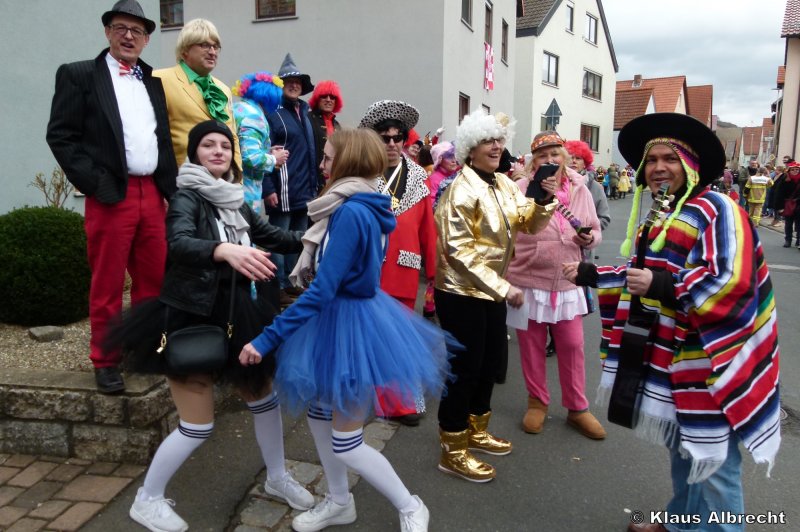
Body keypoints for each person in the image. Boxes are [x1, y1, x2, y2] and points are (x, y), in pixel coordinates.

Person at [563, 113, 781, 532]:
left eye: (670, 159)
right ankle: (682, 523)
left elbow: (731, 284)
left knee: (715, 462)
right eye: (652, 160)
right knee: (682, 447)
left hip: (713, 361)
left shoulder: (719, 209)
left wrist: (663, 285)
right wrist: (591, 274)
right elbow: (642, 275)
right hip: (674, 356)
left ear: (691, 165)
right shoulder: (663, 213)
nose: (659, 167)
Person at [240, 128, 449, 532]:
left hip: (348, 323)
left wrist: (267, 339)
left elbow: (323, 289)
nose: (321, 165)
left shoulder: (351, 210)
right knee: (320, 415)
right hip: (342, 320)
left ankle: (410, 505)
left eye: (327, 157)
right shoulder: (355, 203)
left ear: (347, 161)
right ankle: (339, 501)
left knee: (347, 442)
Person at [107, 120, 313, 532]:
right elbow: (179, 242)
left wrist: (317, 238)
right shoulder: (186, 196)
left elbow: (272, 235)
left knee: (264, 399)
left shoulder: (234, 199)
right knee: (197, 425)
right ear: (194, 153)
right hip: (194, 316)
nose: (218, 151)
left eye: (224, 145)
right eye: (208, 145)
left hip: (241, 315)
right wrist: (223, 250)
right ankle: (147, 500)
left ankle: (276, 477)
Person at [46, 0, 177, 394]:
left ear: (147, 39)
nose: (128, 36)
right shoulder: (79, 75)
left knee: (154, 280)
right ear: (107, 32)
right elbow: (61, 136)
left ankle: (146, 350)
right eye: (121, 28)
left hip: (152, 192)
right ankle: (105, 360)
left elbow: (162, 141)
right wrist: (94, 182)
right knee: (107, 282)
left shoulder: (152, 82)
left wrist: (171, 191)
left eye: (137, 31)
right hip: (110, 195)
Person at [434, 110, 556, 483]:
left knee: (489, 364)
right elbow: (458, 251)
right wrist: (504, 287)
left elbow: (528, 224)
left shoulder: (503, 183)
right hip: (460, 292)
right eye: (487, 140)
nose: (496, 146)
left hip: (491, 289)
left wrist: (541, 199)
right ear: (470, 148)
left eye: (499, 140)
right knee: (464, 369)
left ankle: (476, 429)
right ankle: (453, 447)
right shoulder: (459, 189)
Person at [506, 131, 605, 439]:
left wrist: (589, 238)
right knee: (531, 346)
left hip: (568, 279)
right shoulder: (521, 189)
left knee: (572, 345)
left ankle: (577, 407)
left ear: (564, 157)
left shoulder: (580, 188)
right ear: (534, 161)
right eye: (542, 156)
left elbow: (595, 228)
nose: (549, 160)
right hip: (528, 278)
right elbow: (510, 231)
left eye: (555, 155)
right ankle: (537, 402)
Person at [359, 100, 438, 426]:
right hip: (367, 270)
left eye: (397, 138)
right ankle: (371, 397)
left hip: (405, 268)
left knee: (399, 338)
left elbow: (427, 227)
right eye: (385, 137)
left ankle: (400, 403)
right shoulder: (361, 172)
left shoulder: (419, 177)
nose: (392, 144)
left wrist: (434, 272)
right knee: (368, 337)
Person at [265, 53, 318, 306]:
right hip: (282, 189)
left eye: (297, 81)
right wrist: (268, 188)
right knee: (278, 240)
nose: (294, 85)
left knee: (298, 240)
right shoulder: (272, 112)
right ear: (280, 85)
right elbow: (265, 152)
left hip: (304, 189)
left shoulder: (304, 112)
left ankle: (291, 282)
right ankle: (276, 287)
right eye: (289, 81)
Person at [154, 18, 241, 171]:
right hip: (181, 178)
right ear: (185, 50)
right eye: (204, 45)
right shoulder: (160, 79)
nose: (212, 52)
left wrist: (237, 177)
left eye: (216, 46)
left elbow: (232, 136)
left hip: (222, 181)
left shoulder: (223, 89)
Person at [232, 71, 289, 214]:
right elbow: (250, 157)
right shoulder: (254, 117)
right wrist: (275, 158)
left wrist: (266, 151)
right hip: (245, 191)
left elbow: (240, 146)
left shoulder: (238, 108)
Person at [564, 140, 611, 230]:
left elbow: (604, 218)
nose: (573, 161)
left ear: (585, 164)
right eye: (570, 157)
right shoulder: (557, 184)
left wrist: (589, 231)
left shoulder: (595, 187)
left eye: (578, 158)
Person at [308, 80, 344, 192]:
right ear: (317, 99)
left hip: (333, 181)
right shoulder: (307, 119)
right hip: (311, 181)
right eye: (324, 96)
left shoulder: (337, 125)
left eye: (332, 97)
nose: (328, 100)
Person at [775, 161, 800, 247]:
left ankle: (798, 241)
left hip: (798, 204)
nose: (795, 171)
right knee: (788, 223)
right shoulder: (784, 179)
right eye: (793, 169)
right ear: (789, 170)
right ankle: (788, 240)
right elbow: (779, 194)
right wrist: (780, 207)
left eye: (797, 169)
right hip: (788, 204)